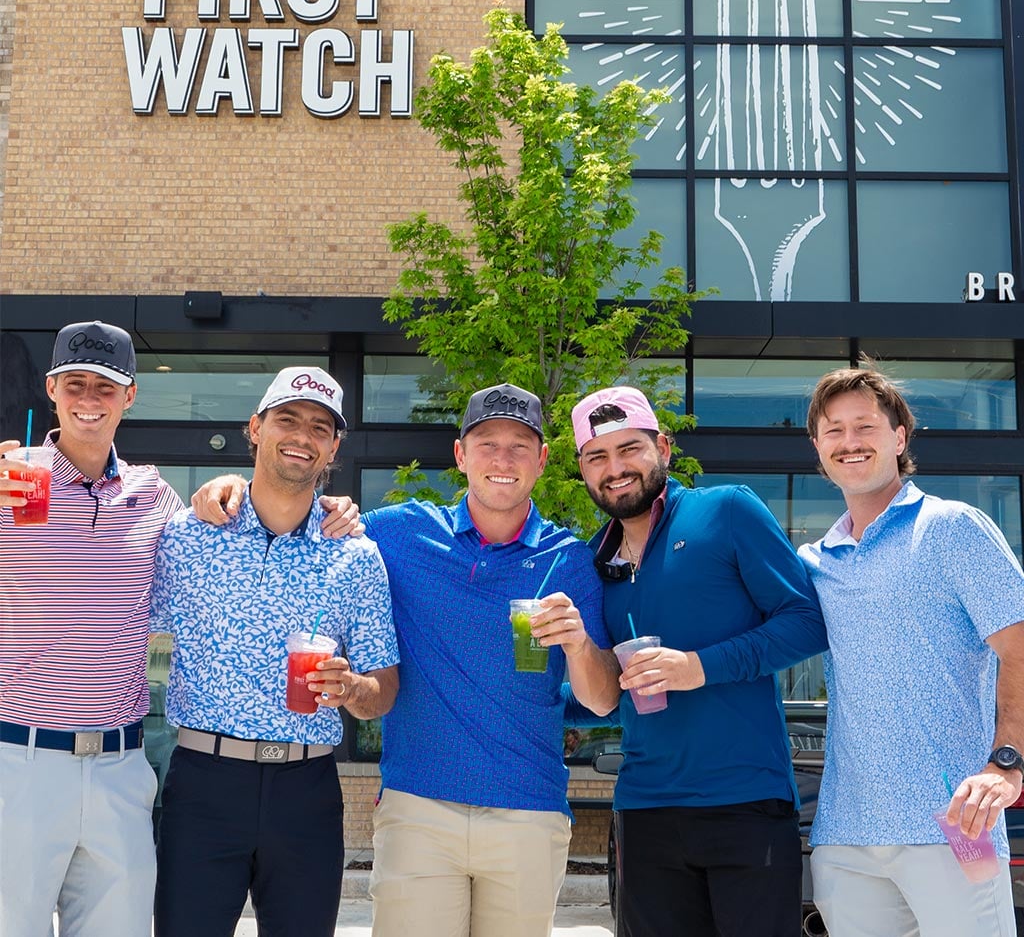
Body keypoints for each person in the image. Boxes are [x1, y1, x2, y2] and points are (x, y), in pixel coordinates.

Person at [193, 379, 618, 937]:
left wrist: (580, 644)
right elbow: (297, 510)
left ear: (541, 460)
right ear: (461, 456)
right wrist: (231, 489)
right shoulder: (400, 533)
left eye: (520, 446)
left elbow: (602, 699)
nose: (503, 459)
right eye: (487, 443)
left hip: (528, 810)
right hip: (419, 808)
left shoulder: (568, 559)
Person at [569, 384, 829, 937]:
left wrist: (698, 667)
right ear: (583, 471)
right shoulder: (592, 562)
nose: (615, 468)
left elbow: (807, 622)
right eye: (598, 457)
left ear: (662, 447)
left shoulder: (727, 511)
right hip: (643, 811)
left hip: (746, 804)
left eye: (629, 449)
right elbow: (597, 696)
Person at [150, 365, 399, 937]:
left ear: (334, 446)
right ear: (255, 428)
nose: (302, 436)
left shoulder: (356, 555)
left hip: (306, 790)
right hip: (204, 783)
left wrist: (354, 689)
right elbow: (119, 623)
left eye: (319, 427)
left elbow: (382, 690)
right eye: (287, 419)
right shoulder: (188, 536)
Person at [800, 365, 1024, 937]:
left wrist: (1007, 762)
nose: (850, 442)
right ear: (818, 448)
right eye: (834, 431)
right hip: (845, 836)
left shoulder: (952, 528)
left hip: (955, 828)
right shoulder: (814, 563)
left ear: (899, 438)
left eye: (865, 426)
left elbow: (1018, 647)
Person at [0, 320, 184, 937]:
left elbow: (207, 558)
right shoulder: (13, 477)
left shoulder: (153, 492)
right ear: (51, 389)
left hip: (121, 765)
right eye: (75, 383)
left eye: (106, 386)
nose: (89, 398)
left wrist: (229, 490)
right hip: (20, 763)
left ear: (129, 396)